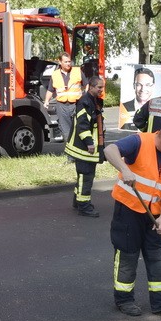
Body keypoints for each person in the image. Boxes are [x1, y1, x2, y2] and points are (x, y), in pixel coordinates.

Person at [103, 124, 161, 320]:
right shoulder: (139, 141)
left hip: (154, 214)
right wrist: (125, 169)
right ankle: (124, 300)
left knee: (158, 258)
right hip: (129, 210)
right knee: (127, 256)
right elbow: (110, 150)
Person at [65, 76, 106, 217]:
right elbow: (82, 125)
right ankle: (84, 206)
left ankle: (78, 201)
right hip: (85, 148)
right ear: (91, 87)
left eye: (102, 87)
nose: (101, 90)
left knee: (83, 176)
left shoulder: (93, 101)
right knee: (86, 177)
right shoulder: (85, 102)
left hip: (88, 148)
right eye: (99, 87)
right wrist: (89, 142)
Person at [43, 53, 83, 143]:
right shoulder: (55, 75)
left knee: (79, 128)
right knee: (66, 131)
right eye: (66, 62)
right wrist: (46, 101)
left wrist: (86, 98)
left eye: (69, 61)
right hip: (62, 106)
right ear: (60, 62)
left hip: (76, 104)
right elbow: (50, 90)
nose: (68, 64)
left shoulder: (77, 71)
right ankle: (70, 151)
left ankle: (80, 149)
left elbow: (87, 84)